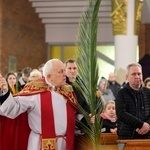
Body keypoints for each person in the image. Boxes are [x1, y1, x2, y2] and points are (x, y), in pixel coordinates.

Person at [0, 59, 80, 150]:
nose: (65, 74)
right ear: (49, 76)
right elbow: (12, 109)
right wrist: (5, 91)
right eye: (61, 71)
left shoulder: (67, 92)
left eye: (64, 70)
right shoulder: (34, 92)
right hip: (40, 144)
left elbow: (74, 117)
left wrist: (88, 119)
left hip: (65, 144)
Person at [116, 62, 150, 139]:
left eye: (139, 74)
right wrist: (140, 125)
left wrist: (147, 125)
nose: (137, 76)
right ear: (127, 77)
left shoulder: (148, 92)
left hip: (147, 135)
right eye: (134, 74)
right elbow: (121, 113)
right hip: (127, 136)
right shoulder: (121, 93)